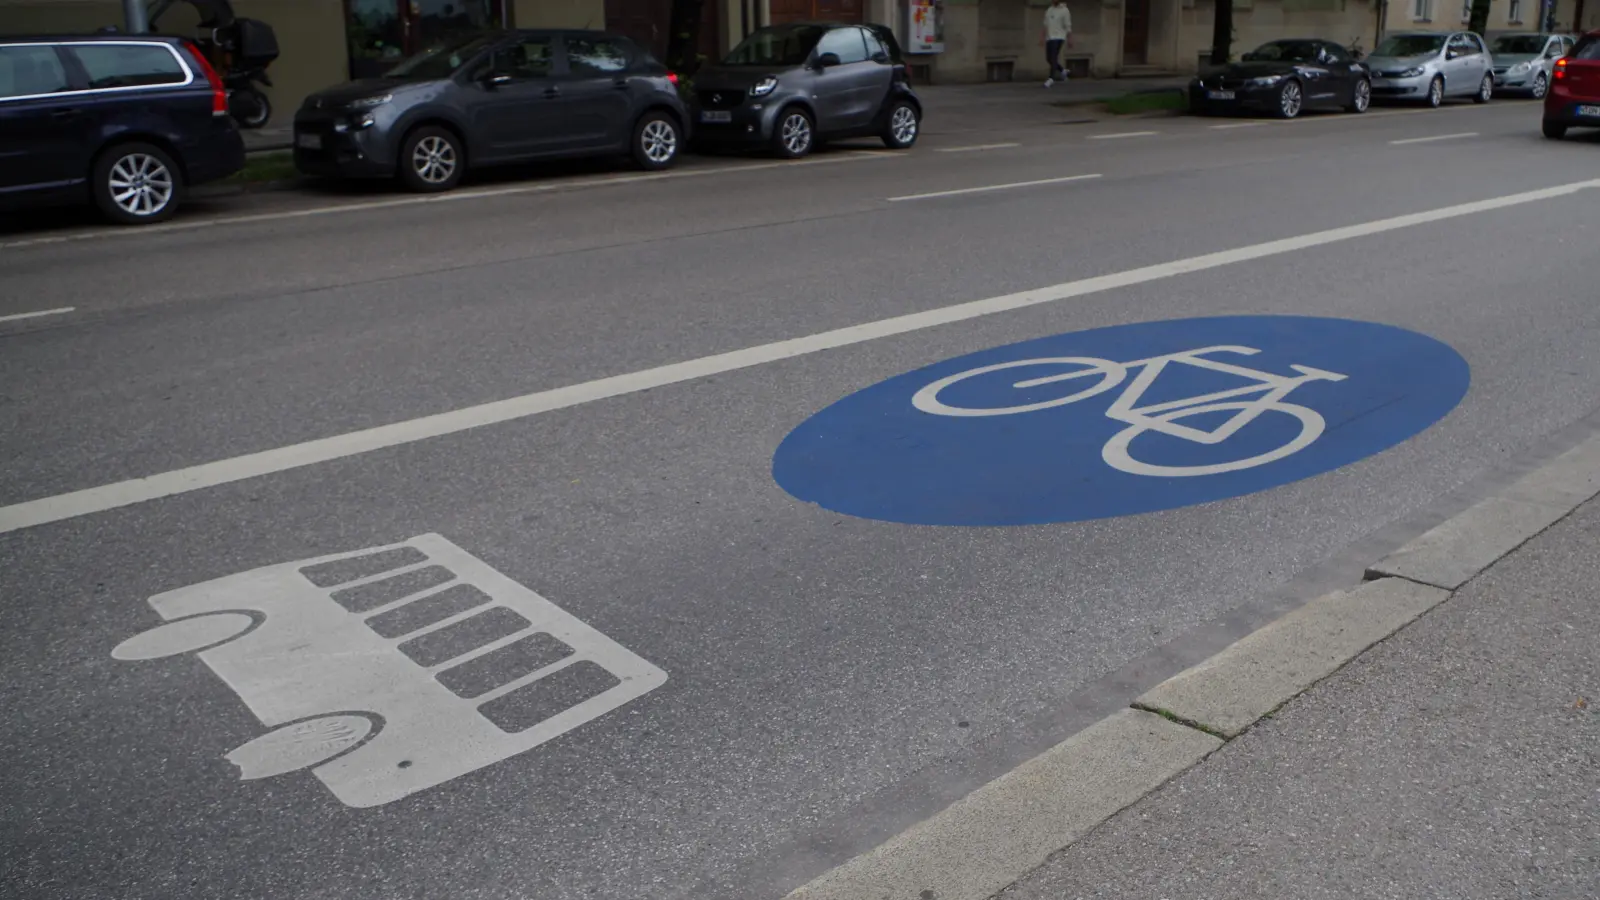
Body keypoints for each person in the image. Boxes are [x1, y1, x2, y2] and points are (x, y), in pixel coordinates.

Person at [1042, 0, 1073, 87]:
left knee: (1053, 57)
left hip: (1059, 37)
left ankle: (1051, 78)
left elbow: (1068, 25)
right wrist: (1042, 37)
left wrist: (1070, 38)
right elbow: (1045, 24)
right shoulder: (1049, 10)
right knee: (1049, 58)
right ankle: (1062, 70)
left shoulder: (1064, 10)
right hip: (1049, 37)